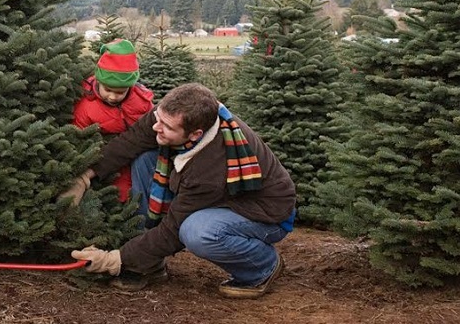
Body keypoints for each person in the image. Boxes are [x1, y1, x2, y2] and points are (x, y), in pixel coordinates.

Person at [62, 82, 296, 299]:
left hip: (264, 213)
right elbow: (130, 141)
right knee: (144, 158)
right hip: (218, 194)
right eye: (158, 118)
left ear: (195, 135)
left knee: (197, 231)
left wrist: (115, 259)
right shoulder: (173, 116)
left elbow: (172, 231)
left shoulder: (209, 169)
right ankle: (149, 262)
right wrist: (85, 175)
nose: (156, 127)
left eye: (167, 126)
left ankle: (262, 266)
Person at [72, 39, 155, 202]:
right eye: (107, 89)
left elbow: (152, 128)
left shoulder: (142, 101)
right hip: (103, 159)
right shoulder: (86, 106)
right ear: (99, 81)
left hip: (135, 157)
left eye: (120, 92)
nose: (112, 96)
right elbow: (77, 135)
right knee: (120, 195)